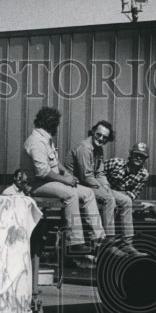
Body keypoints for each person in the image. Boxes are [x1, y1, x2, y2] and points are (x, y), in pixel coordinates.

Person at [20, 106, 105, 266]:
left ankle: (98, 237)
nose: (57, 128)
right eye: (56, 124)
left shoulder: (45, 139)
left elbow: (54, 162)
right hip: (35, 185)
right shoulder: (36, 141)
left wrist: (65, 172)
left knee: (87, 193)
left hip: (49, 181)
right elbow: (42, 172)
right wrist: (65, 181)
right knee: (70, 194)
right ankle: (76, 241)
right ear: (51, 124)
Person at [70, 121, 141, 255]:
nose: (101, 139)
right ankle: (109, 241)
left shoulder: (99, 149)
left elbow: (100, 173)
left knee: (126, 200)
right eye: (98, 135)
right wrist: (104, 190)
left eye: (105, 137)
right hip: (78, 185)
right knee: (109, 199)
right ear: (92, 132)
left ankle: (128, 242)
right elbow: (86, 176)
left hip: (92, 184)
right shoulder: (85, 148)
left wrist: (106, 186)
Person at [2, 169, 45, 313]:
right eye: (23, 180)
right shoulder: (9, 192)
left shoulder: (24, 194)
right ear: (16, 179)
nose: (24, 183)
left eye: (26, 181)